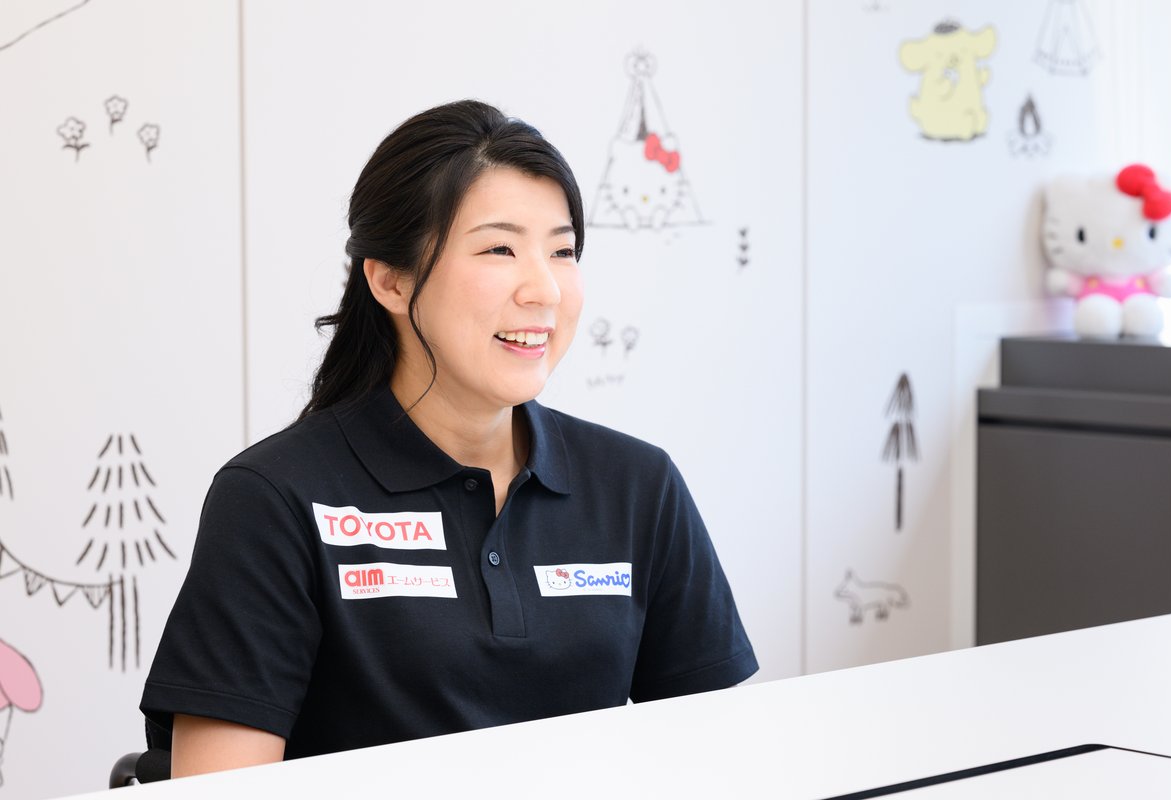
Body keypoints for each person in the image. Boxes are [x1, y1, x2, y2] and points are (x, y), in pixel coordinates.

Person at [140, 100, 757, 777]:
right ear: (390, 279)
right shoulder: (274, 499)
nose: (545, 289)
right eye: (499, 249)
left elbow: (724, 764)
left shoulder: (638, 486)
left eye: (562, 251)